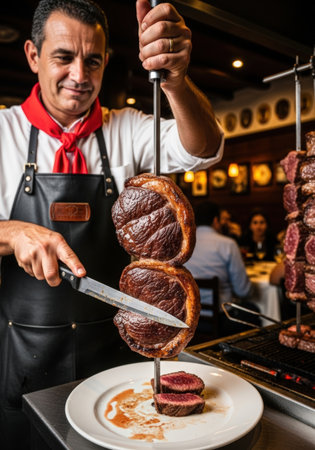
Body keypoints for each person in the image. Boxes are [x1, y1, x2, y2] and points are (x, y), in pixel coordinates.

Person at [0, 1, 224, 448]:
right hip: (23, 358)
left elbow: (205, 149)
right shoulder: (1, 131)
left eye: (94, 60)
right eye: (63, 57)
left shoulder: (129, 128)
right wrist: (11, 231)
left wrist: (175, 81)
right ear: (32, 55)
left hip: (117, 359)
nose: (81, 75)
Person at [185, 202, 259, 338]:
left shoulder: (184, 244)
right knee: (254, 311)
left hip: (187, 319)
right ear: (215, 220)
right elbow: (243, 291)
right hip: (221, 319)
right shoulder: (227, 244)